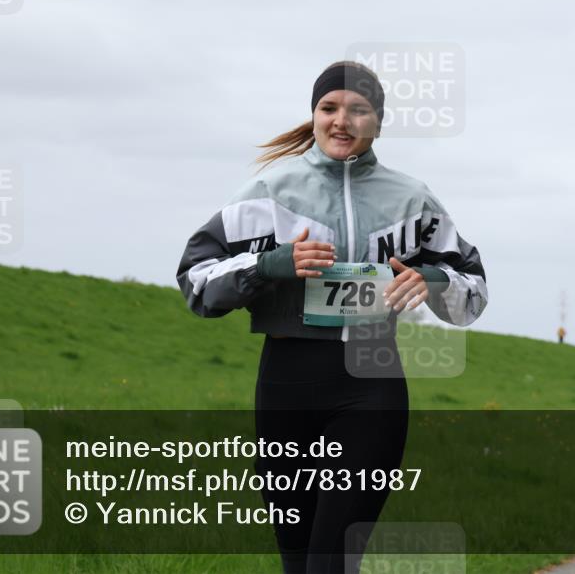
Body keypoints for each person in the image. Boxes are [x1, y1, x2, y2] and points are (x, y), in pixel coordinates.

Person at [176, 61, 488, 573]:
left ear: (378, 122)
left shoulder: (412, 199)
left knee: (332, 560)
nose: (342, 121)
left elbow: (474, 290)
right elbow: (195, 281)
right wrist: (270, 265)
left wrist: (430, 280)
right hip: (286, 384)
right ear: (314, 115)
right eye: (329, 108)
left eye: (358, 110)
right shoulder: (270, 192)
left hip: (372, 382)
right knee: (298, 560)